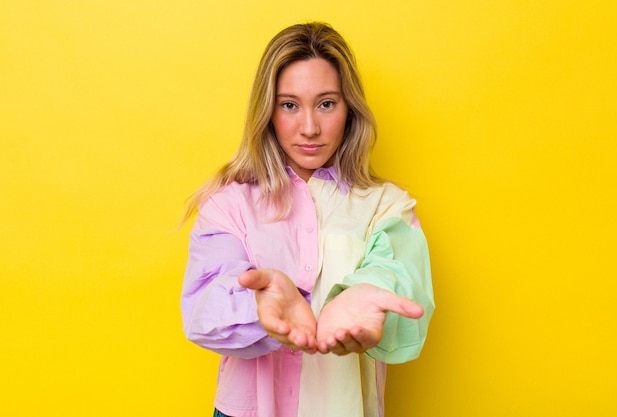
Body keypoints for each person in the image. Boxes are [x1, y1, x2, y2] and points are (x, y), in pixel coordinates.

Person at [181, 22, 435, 417]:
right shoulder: (228, 204)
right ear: (267, 112)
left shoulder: (388, 206)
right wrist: (260, 307)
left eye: (326, 103)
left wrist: (363, 294)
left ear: (350, 109)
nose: (310, 127)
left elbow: (396, 275)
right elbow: (202, 309)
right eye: (289, 105)